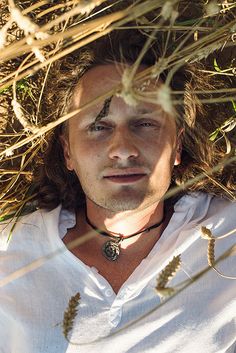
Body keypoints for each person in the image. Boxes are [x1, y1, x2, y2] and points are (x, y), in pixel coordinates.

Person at [0, 10, 236, 353]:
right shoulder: (10, 252)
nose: (122, 149)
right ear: (67, 151)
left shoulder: (228, 232)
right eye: (99, 127)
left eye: (144, 124)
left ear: (177, 145)